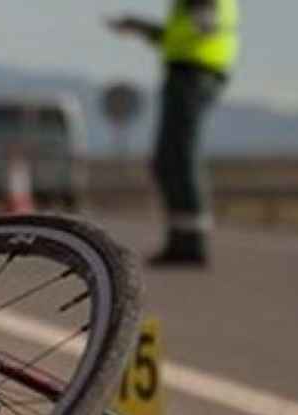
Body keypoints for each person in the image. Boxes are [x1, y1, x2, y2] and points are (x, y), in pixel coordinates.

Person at [108, 1, 239, 267]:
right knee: (169, 160)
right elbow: (177, 35)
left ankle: (192, 243)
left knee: (179, 157)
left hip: (195, 72)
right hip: (188, 70)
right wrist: (141, 28)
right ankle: (182, 240)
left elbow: (205, 26)